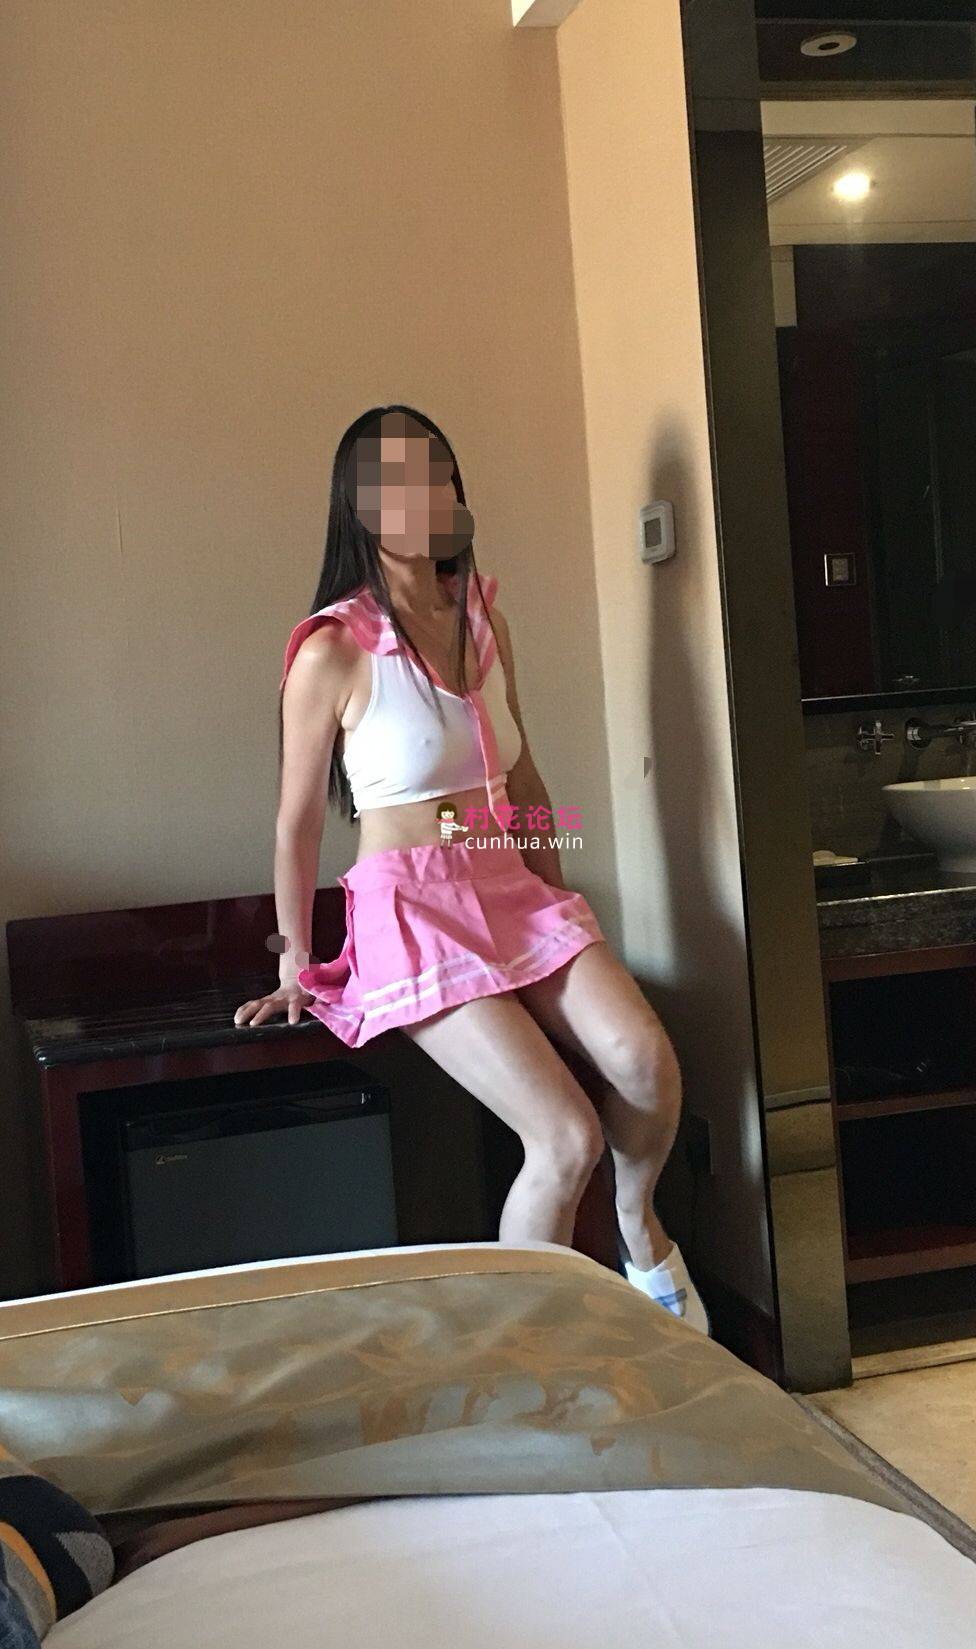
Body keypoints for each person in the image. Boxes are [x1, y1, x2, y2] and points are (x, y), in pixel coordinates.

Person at [234, 404, 710, 1335]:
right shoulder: (332, 647)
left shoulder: (484, 618)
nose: (423, 494)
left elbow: (522, 776)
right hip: (410, 908)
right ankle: (525, 1357)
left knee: (647, 1065)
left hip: (510, 888)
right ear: (359, 505)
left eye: (437, 474)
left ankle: (637, 1227)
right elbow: (296, 822)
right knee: (564, 1136)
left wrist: (559, 899)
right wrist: (295, 962)